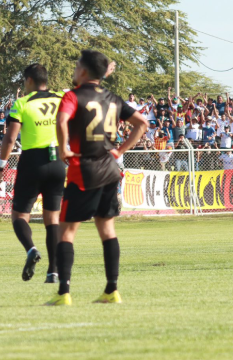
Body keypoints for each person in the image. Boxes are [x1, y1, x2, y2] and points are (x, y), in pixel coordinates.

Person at [49, 50, 147, 306]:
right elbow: (142, 123)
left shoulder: (73, 96)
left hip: (84, 170)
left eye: (76, 65)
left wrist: (63, 149)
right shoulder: (113, 98)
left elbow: (61, 120)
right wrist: (121, 151)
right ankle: (112, 290)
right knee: (107, 230)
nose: (74, 69)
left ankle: (63, 294)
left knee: (67, 232)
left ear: (82, 71)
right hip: (110, 170)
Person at [0, 64, 65, 284]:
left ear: (30, 80)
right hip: (58, 161)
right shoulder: (61, 98)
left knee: (19, 216)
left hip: (32, 162)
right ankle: (53, 272)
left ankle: (31, 249)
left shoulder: (22, 103)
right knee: (52, 219)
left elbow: (10, 139)